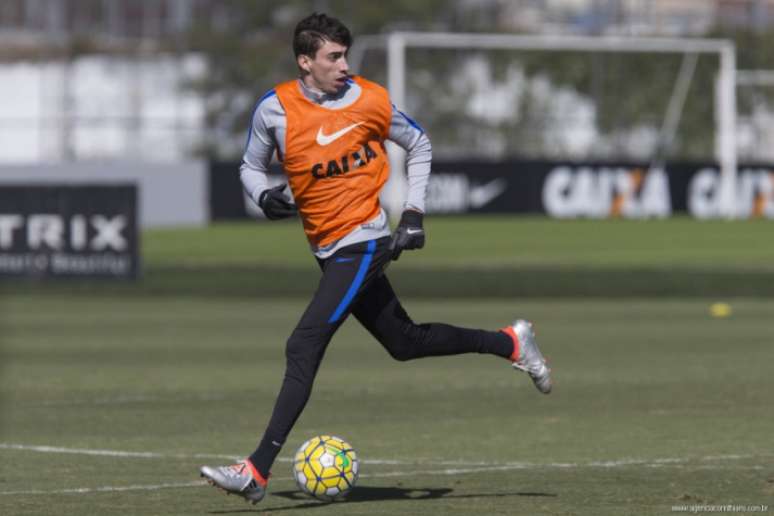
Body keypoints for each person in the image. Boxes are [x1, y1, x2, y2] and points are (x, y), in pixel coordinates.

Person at [200, 12, 552, 505]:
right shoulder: (273, 110)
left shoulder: (370, 99)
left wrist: (413, 211)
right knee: (404, 342)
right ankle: (510, 343)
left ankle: (255, 472)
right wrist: (262, 197)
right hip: (328, 249)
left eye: (345, 55)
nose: (344, 65)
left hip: (364, 241)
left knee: (303, 345)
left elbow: (420, 143)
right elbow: (249, 166)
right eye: (333, 56)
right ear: (306, 62)